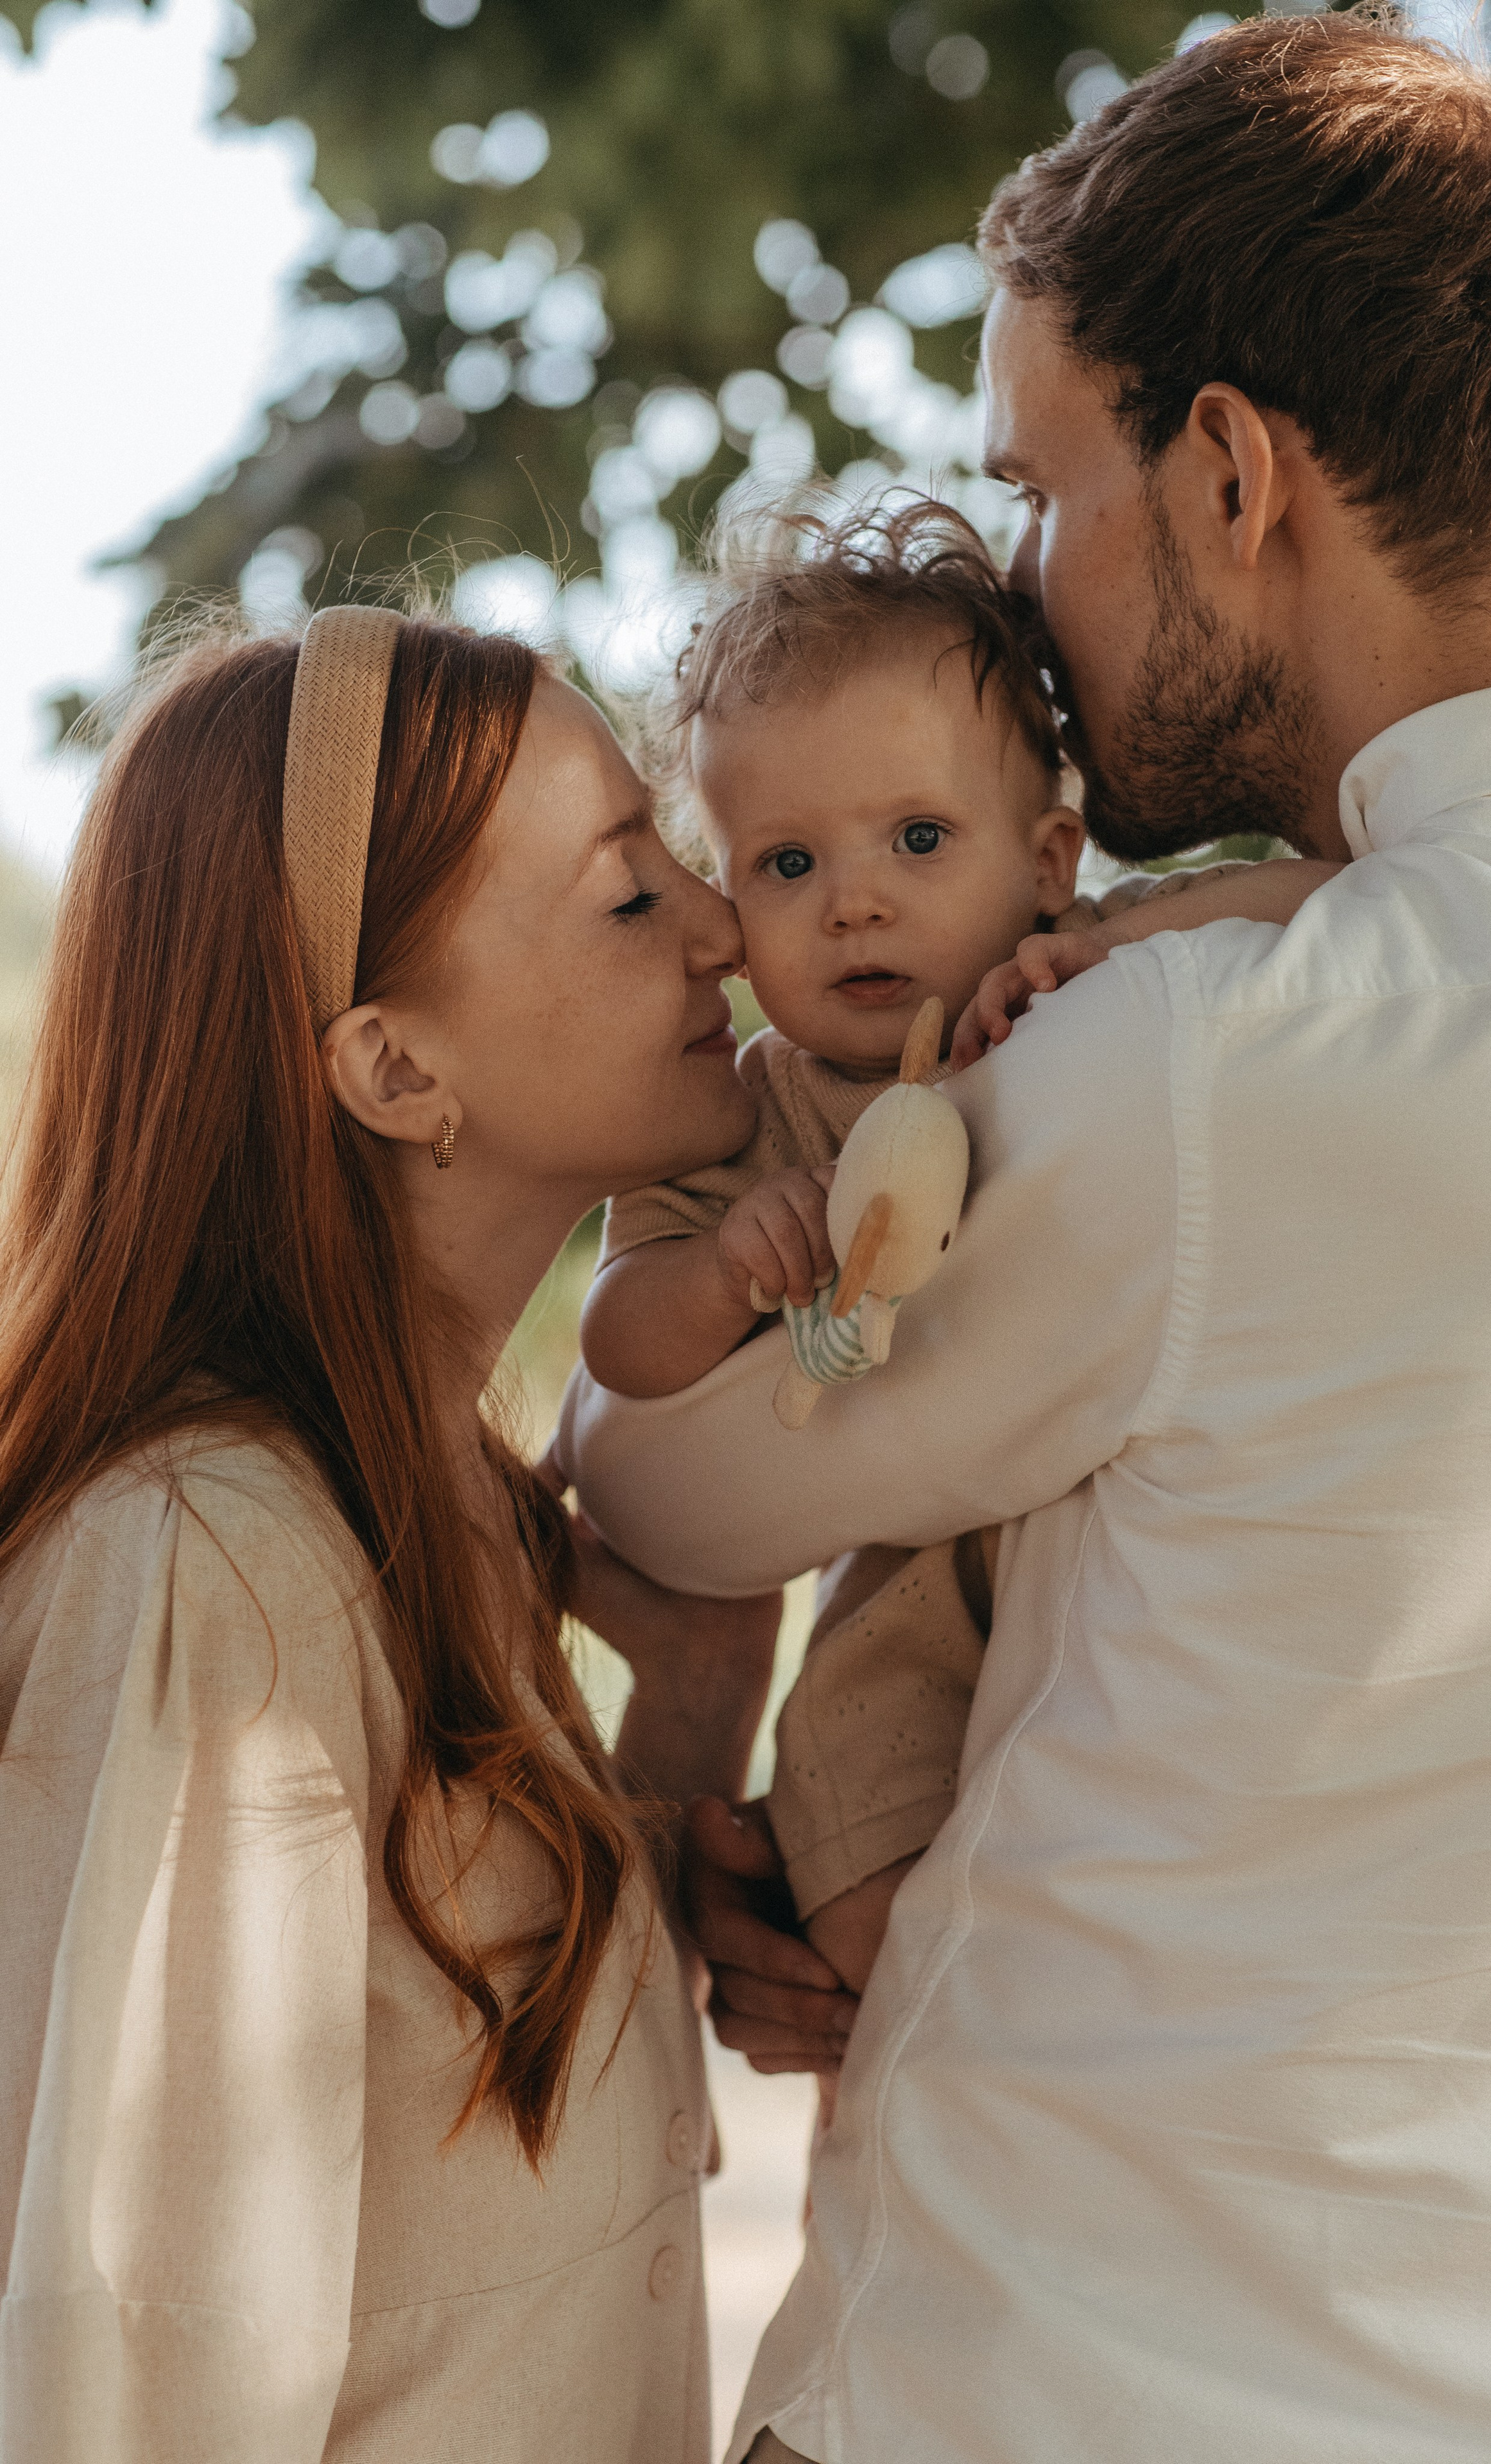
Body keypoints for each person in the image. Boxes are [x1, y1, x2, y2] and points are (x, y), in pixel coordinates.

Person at [555, 16, 1491, 2461]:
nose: (1029, 581)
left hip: (1068, 2383)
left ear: (1234, 470)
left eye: (1043, 486)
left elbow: (667, 1493)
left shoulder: (1205, 1059)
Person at [0, 607, 817, 2463]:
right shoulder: (214, 1571)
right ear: (390, 1071)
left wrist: (689, 1710)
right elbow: (142, 2370)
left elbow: (465, 2206)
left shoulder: (448, 1512)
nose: (722, 926)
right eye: (628, 896)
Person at [579, 496, 1332, 1994]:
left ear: (1047, 856)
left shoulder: (1086, 986)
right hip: (908, 1602)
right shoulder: (748, 1113)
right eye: (782, 865)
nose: (851, 899)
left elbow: (1319, 898)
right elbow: (616, 1344)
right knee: (866, 1909)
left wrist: (1108, 950)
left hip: (1135, 1574)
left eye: (917, 839)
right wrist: (731, 1262)